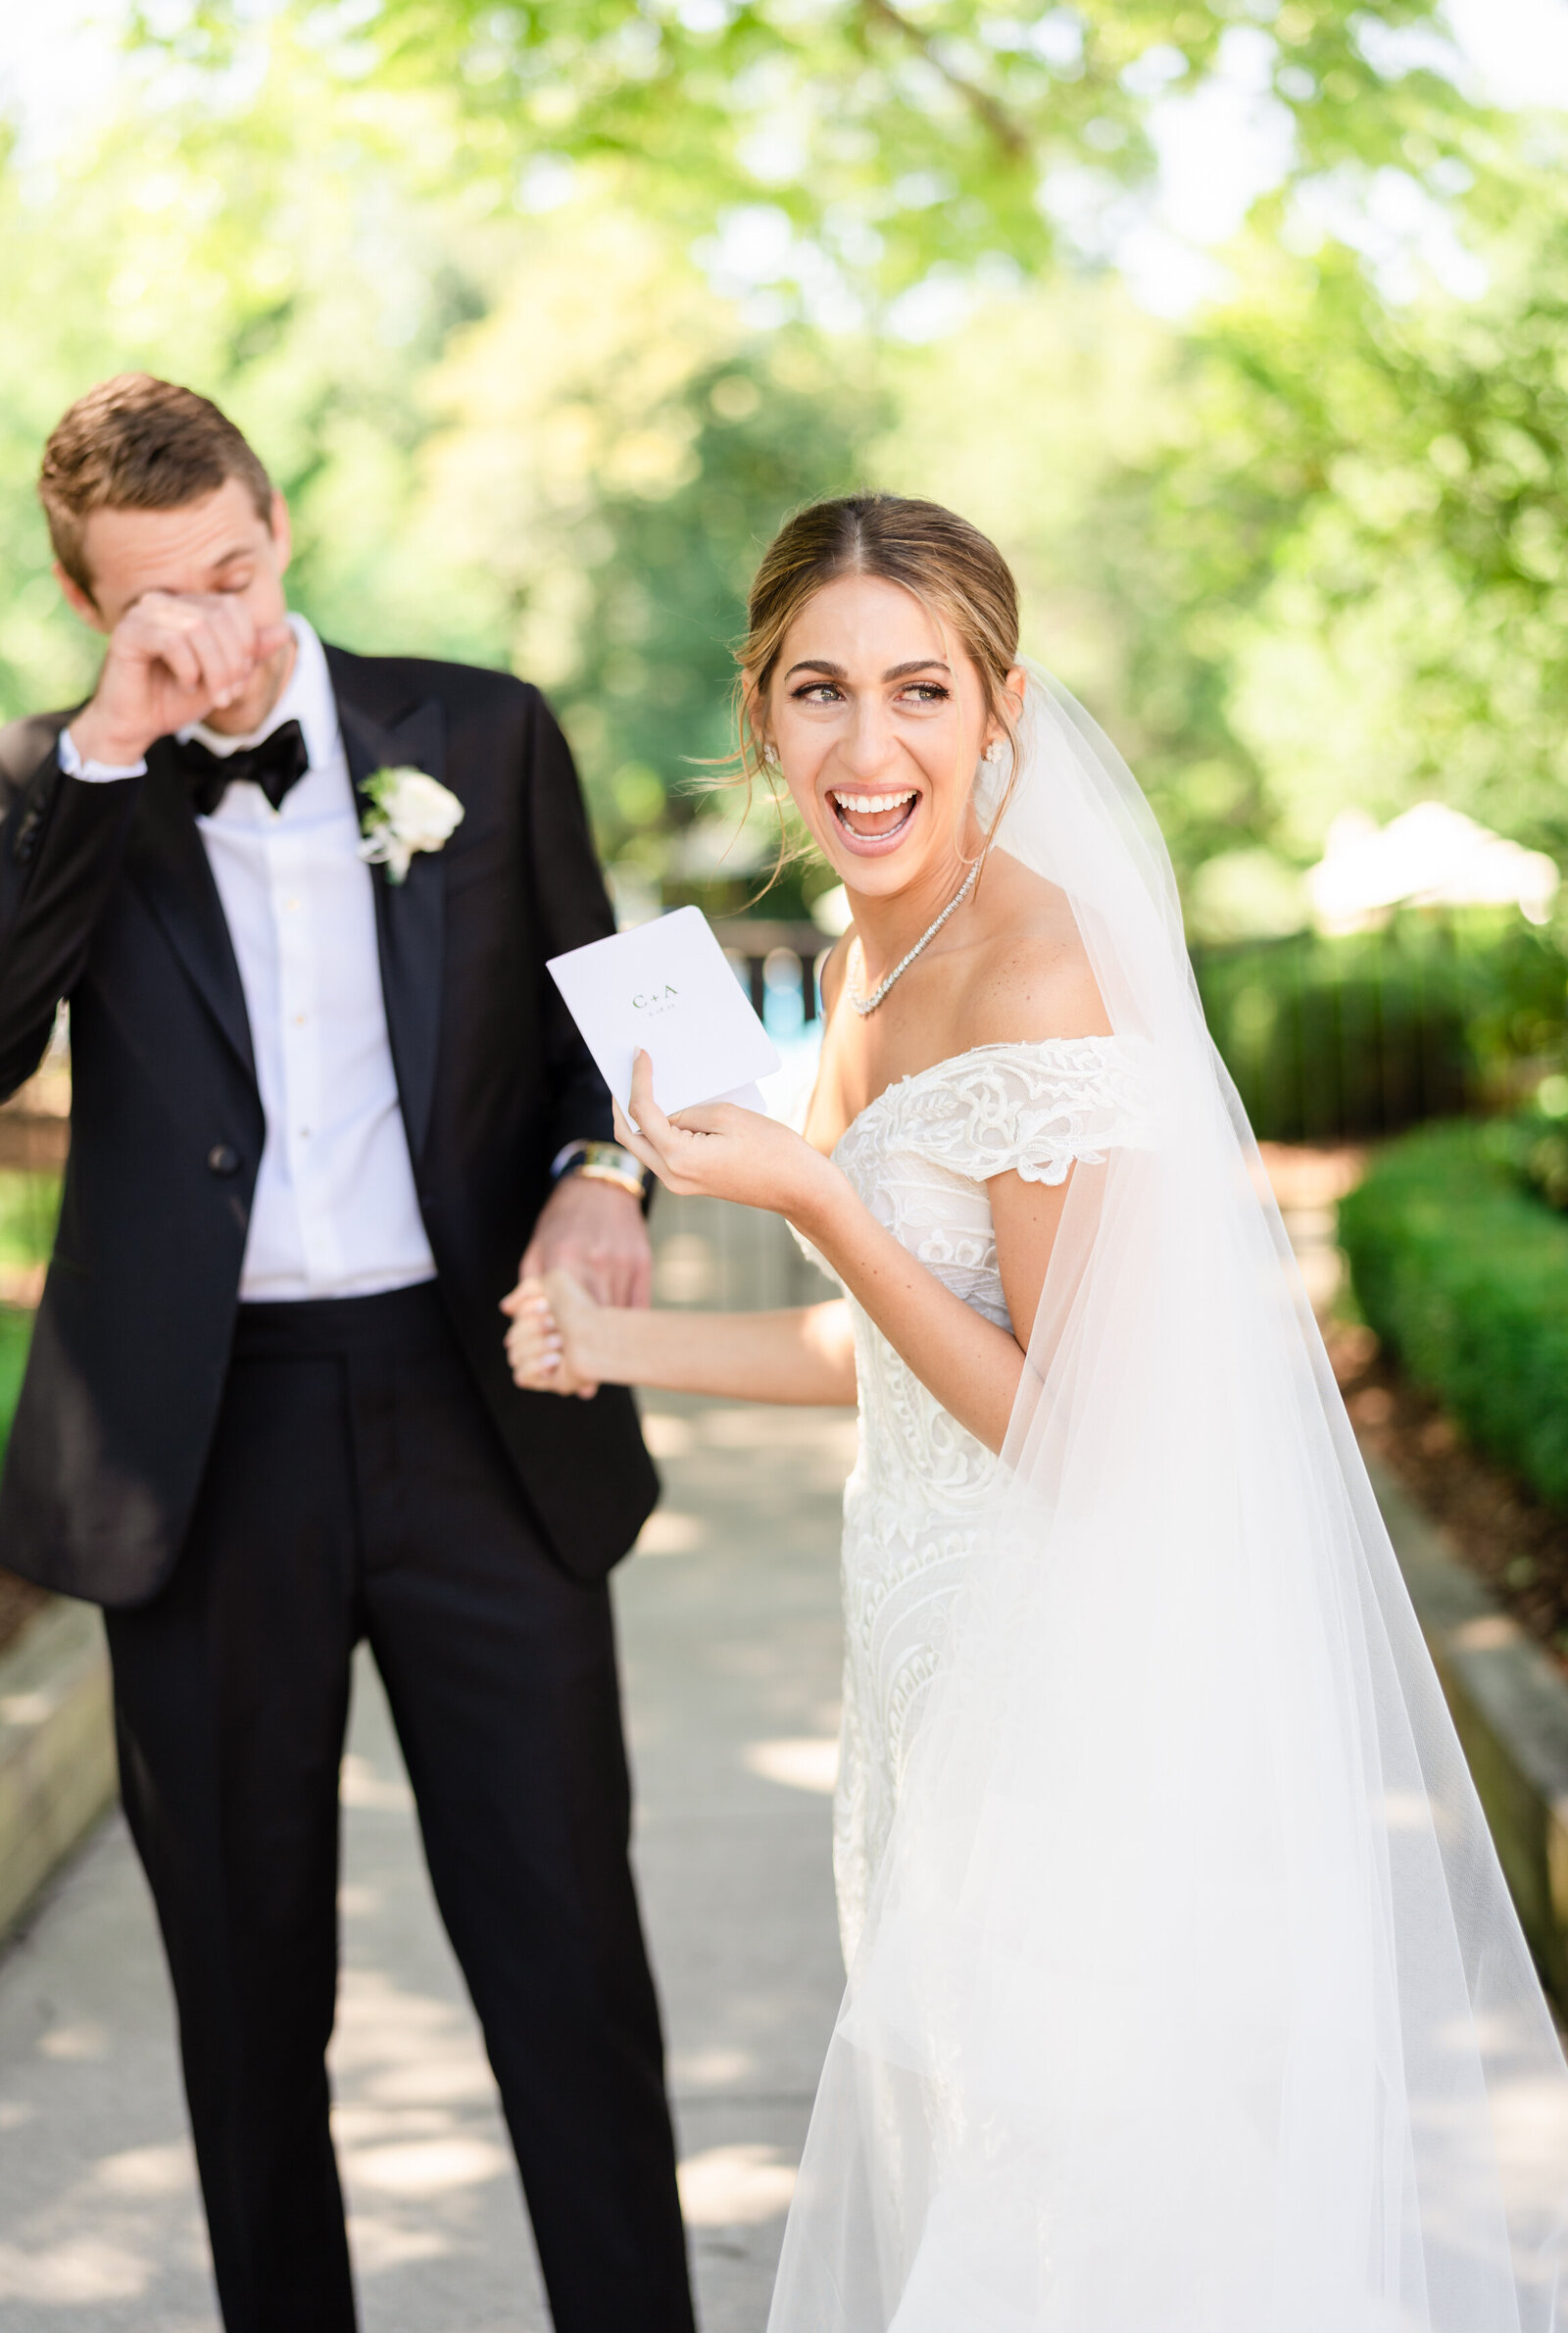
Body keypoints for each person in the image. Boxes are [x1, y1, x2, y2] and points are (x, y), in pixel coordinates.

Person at [508, 493, 1568, 2330]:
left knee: (1070, 2180)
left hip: (1079, 1664)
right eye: (821, 691)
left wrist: (818, 1195)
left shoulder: (1037, 964)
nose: (869, 745)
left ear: (999, 712)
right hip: (923, 1647)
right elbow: (877, 1354)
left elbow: (1067, 1423)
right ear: (761, 713)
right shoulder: (862, 963)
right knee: (985, 2133)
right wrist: (610, 1346)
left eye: (922, 691)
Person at [0, 374, 694, 2333]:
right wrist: (109, 754)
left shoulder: (478, 728)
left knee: (567, 1964)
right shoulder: (51, 787)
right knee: (243, 2000)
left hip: (481, 1412)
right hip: (196, 1462)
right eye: (158, 608)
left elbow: (618, 1016)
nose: (212, 631)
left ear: (281, 521)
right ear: (93, 612)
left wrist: (600, 1174)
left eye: (233, 571)